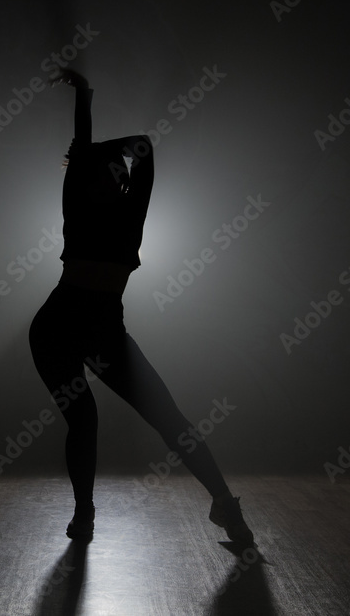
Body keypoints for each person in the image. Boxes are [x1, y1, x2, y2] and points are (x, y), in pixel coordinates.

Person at [28, 68, 254, 546]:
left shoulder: (132, 208)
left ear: (122, 180)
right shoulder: (78, 201)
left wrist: (98, 140)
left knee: (168, 417)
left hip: (106, 330)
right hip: (56, 329)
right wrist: (85, 101)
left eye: (115, 172)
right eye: (98, 172)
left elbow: (144, 145)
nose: (108, 179)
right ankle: (85, 513)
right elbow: (90, 143)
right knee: (84, 418)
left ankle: (226, 505)